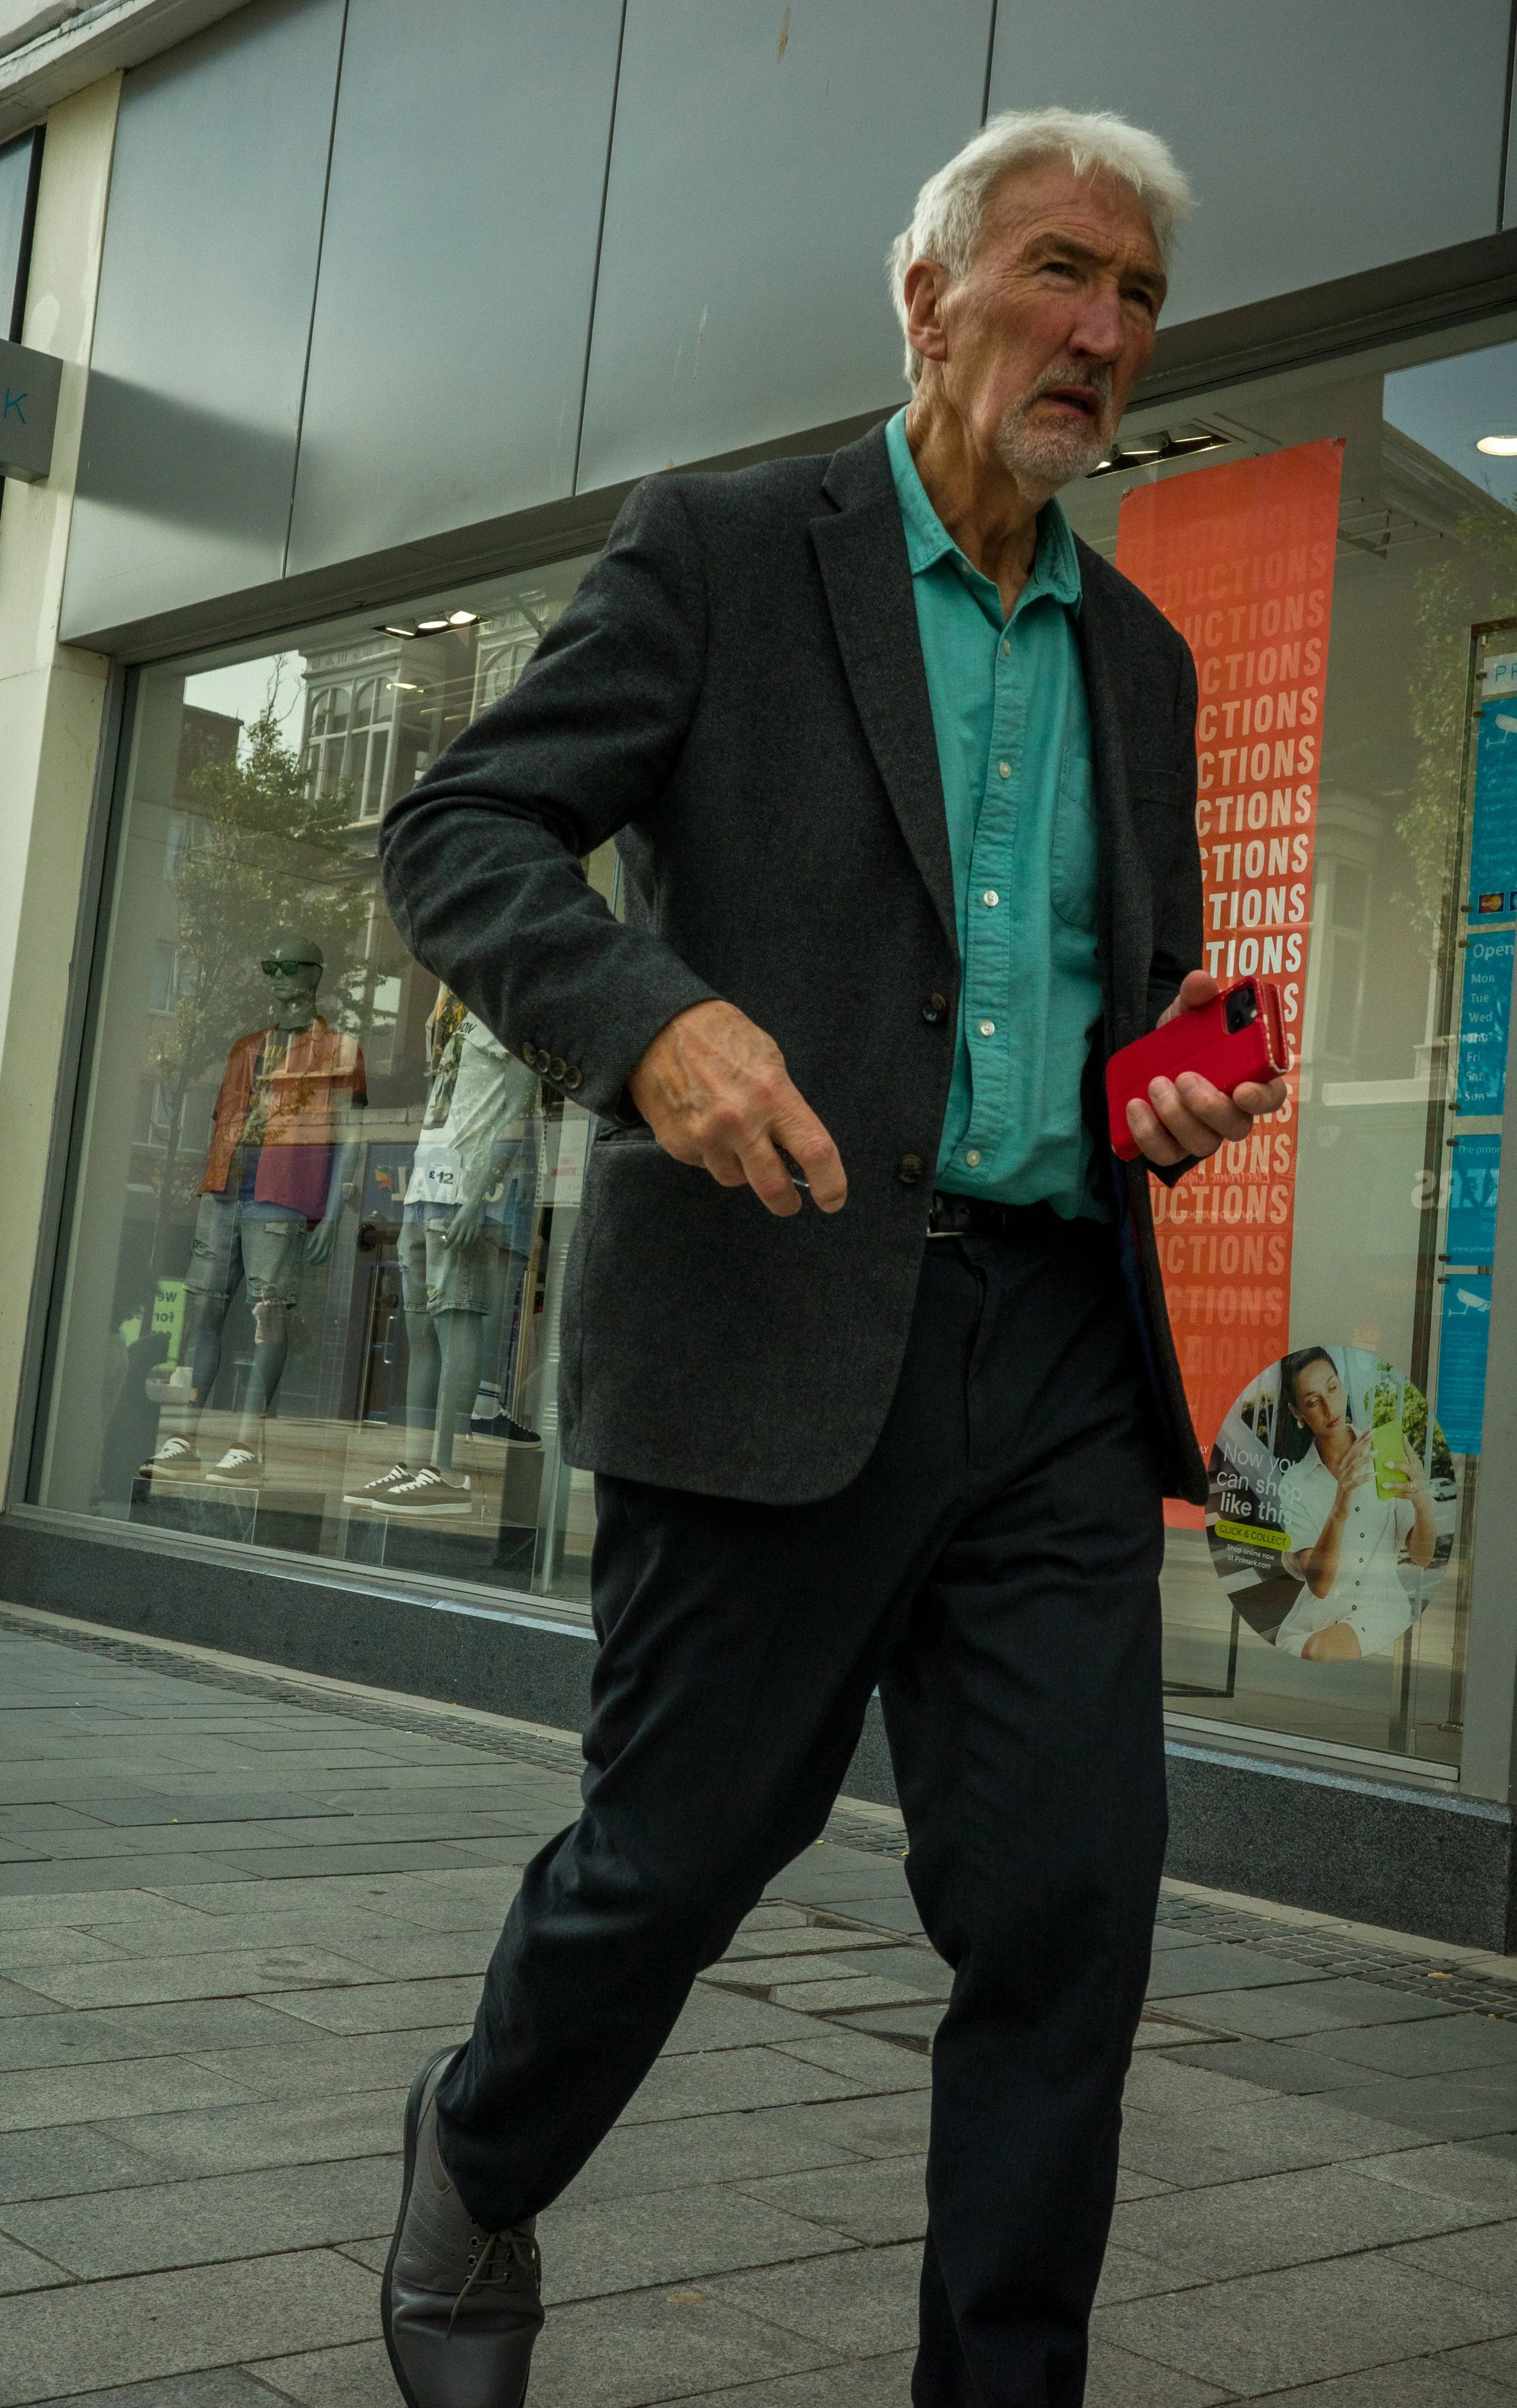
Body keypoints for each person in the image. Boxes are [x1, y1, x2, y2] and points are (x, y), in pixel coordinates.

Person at [375, 107, 1287, 2408]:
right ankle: (477, 2147)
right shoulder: (719, 549)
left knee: (1070, 1902)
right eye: (1059, 271)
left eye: (1139, 297)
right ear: (926, 296)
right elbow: (460, 825)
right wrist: (645, 1019)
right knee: (673, 1862)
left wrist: (1165, 1084)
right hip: (766, 1318)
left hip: (1055, 1349)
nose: (1099, 331)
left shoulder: (1143, 659)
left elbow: (1111, 1006)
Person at [1274, 1348, 1437, 1662]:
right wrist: (1339, 1509)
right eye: (1312, 1401)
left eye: (1333, 1388)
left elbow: (1423, 1556)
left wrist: (1421, 1501)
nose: (1329, 1406)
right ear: (1297, 1412)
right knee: (1314, 1649)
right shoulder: (1295, 1483)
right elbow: (1320, 1586)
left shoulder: (1384, 1450)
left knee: (1318, 1652)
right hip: (1317, 1620)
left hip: (1381, 1609)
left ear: (1343, 1386)